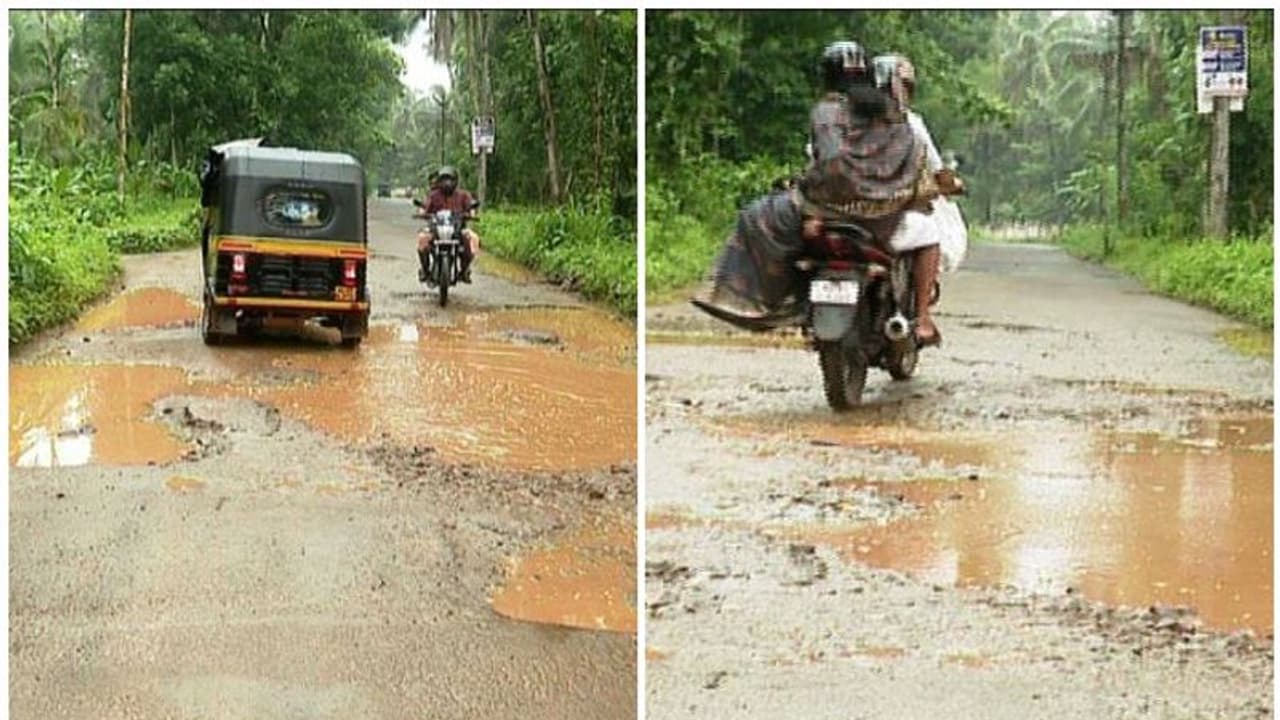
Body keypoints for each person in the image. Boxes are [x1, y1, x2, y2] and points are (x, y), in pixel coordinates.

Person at [693, 40, 939, 332]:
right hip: (885, 216)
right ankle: (920, 317)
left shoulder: (829, 110)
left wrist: (809, 200)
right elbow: (912, 163)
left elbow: (831, 167)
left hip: (834, 207)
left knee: (756, 217)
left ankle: (760, 300)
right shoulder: (894, 115)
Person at [415, 165, 479, 283]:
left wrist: (471, 214)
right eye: (444, 180)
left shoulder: (463, 195)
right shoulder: (433, 195)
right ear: (439, 181)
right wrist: (422, 213)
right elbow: (424, 207)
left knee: (473, 239)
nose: (447, 183)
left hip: (458, 230)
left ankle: (465, 270)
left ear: (455, 181)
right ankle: (425, 270)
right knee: (422, 239)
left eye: (450, 180)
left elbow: (471, 208)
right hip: (436, 229)